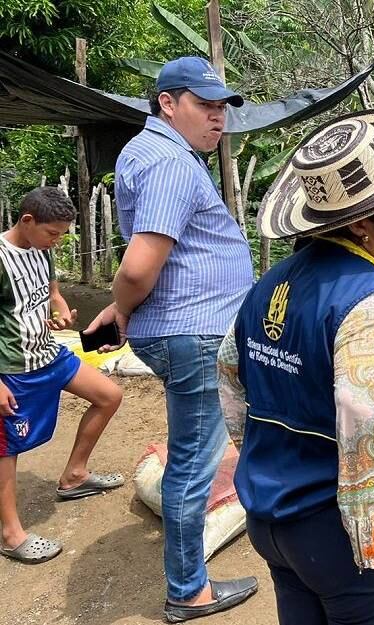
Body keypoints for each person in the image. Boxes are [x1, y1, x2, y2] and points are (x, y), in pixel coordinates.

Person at [218, 110, 374, 625]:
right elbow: (361, 409)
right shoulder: (369, 301)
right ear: (363, 222)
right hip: (346, 541)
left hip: (277, 519)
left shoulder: (271, 284)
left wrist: (262, 459)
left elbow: (230, 374)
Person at [85, 57, 257, 621]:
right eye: (205, 107)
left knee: (205, 445)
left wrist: (120, 307)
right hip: (197, 334)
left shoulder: (149, 152)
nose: (218, 120)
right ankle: (188, 591)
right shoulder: (170, 164)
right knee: (192, 465)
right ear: (167, 103)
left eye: (221, 109)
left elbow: (155, 259)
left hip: (185, 327)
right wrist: (124, 302)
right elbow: (138, 268)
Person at [0, 188, 124, 564]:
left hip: (48, 354)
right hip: (13, 367)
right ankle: (10, 533)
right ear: (27, 221)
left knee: (109, 396)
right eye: (53, 234)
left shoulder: (42, 248)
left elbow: (51, 290)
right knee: (6, 449)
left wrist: (60, 310)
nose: (57, 241)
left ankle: (74, 476)